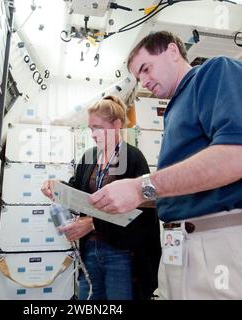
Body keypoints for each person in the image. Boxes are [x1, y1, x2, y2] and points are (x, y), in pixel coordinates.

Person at [88, 31, 242, 299]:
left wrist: (140, 187)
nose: (144, 82)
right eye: (138, 77)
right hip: (179, 247)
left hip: (219, 244)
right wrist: (128, 197)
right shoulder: (175, 108)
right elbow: (187, 187)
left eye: (146, 69)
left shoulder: (215, 72)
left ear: (172, 51)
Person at [41, 95, 161, 300]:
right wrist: (58, 188)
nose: (93, 134)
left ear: (115, 125)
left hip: (122, 253)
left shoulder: (133, 158)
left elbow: (142, 212)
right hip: (90, 249)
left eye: (97, 127)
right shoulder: (89, 157)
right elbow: (76, 190)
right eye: (90, 128)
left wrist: (93, 223)